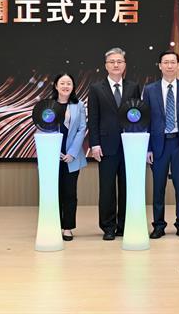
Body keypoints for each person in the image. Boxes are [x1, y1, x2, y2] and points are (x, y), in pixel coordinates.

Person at [88, 47, 141, 241]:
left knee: (127, 187)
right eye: (112, 62)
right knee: (107, 189)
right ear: (106, 66)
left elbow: (138, 114)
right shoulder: (96, 88)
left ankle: (124, 225)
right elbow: (93, 118)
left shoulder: (133, 86)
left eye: (119, 61)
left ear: (125, 65)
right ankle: (108, 227)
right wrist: (94, 144)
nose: (116, 65)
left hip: (129, 145)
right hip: (106, 146)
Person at [143, 50, 179, 239]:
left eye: (173, 62)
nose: (169, 65)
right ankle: (158, 225)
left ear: (178, 65)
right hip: (159, 145)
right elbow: (145, 121)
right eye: (165, 62)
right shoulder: (149, 90)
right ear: (160, 66)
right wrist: (148, 148)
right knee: (158, 188)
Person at [52, 73, 88, 241]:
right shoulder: (48, 105)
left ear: (73, 87)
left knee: (69, 193)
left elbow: (82, 129)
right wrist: (53, 151)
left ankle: (67, 227)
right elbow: (42, 128)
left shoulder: (78, 105)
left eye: (69, 83)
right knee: (53, 193)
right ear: (56, 86)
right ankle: (54, 225)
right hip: (52, 155)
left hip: (71, 156)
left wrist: (72, 153)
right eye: (62, 83)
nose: (65, 86)